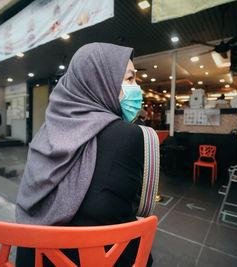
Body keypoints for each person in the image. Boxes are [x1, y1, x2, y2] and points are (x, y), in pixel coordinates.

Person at [15, 43, 155, 266]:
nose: (137, 87)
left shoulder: (45, 132)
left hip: (33, 256)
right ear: (100, 83)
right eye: (129, 79)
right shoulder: (127, 136)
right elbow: (122, 217)